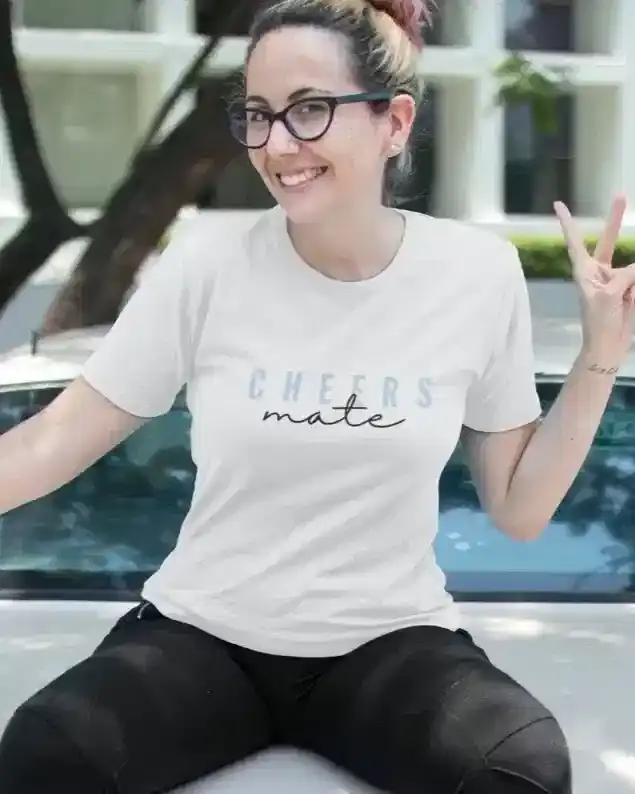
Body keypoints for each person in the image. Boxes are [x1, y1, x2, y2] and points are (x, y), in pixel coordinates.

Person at [0, 0, 633, 792]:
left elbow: (517, 508)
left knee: (519, 766)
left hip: (385, 644)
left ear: (393, 122)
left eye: (309, 111)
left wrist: (599, 355)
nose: (276, 145)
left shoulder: (475, 273)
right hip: (204, 636)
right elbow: (55, 440)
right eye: (257, 116)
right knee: (48, 750)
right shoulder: (207, 262)